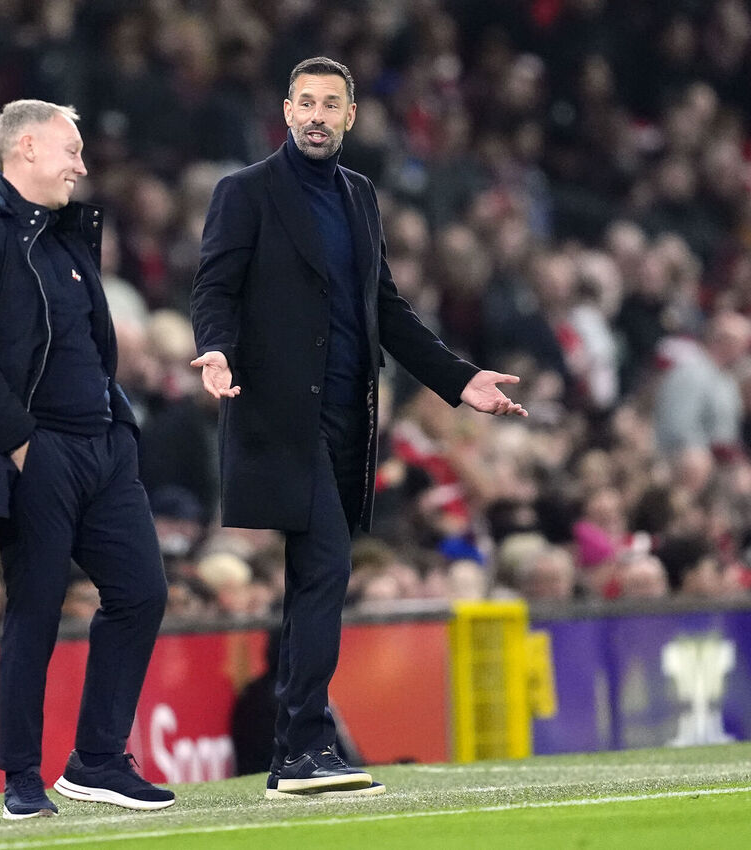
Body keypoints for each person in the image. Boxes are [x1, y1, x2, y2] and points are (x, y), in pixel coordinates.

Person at [190, 57, 527, 798]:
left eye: (329, 104)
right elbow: (215, 285)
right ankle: (303, 743)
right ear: (285, 111)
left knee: (318, 578)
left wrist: (458, 379)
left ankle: (294, 752)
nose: (315, 115)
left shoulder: (361, 198)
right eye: (304, 102)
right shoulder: (244, 193)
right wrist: (215, 346)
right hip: (280, 417)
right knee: (327, 569)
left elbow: (390, 312)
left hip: (350, 417)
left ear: (349, 117)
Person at [0, 100, 172, 819]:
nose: (82, 166)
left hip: (105, 447)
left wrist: (120, 429)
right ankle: (21, 777)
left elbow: (89, 345)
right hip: (40, 450)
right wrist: (23, 443)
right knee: (35, 610)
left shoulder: (62, 236)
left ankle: (96, 759)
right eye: (72, 151)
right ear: (26, 147)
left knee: (142, 592)